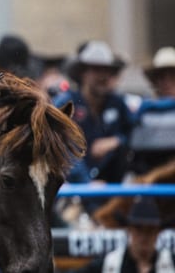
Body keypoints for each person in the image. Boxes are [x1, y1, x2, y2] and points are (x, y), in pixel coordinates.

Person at [53, 40, 134, 185]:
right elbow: (62, 148)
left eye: (107, 70)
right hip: (72, 188)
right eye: (96, 70)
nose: (103, 76)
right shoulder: (65, 103)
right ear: (82, 73)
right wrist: (86, 183)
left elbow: (133, 134)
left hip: (112, 187)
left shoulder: (117, 102)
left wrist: (117, 141)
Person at [74, 196, 175, 273]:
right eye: (139, 230)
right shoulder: (110, 262)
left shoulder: (170, 261)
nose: (144, 237)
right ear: (130, 230)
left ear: (157, 233)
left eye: (150, 231)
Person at [130, 46, 175, 174]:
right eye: (162, 77)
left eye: (172, 76)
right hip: (150, 186)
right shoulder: (143, 111)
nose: (167, 82)